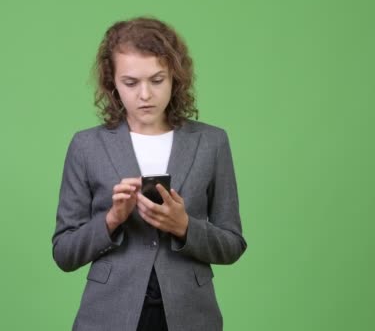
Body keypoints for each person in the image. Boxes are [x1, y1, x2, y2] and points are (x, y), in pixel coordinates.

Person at [51, 16, 247, 331]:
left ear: (175, 78)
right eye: (131, 82)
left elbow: (233, 243)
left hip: (191, 316)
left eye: (157, 80)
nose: (145, 95)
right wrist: (112, 219)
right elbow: (64, 252)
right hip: (108, 315)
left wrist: (184, 226)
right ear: (112, 82)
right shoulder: (86, 145)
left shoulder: (212, 142)